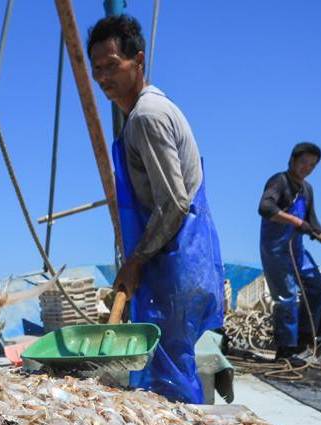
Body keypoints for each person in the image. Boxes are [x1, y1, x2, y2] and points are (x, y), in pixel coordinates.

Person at [87, 15, 225, 404]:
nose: (102, 78)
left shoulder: (147, 117)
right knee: (170, 365)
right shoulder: (144, 115)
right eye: (97, 69)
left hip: (174, 262)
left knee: (170, 377)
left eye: (112, 66)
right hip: (175, 260)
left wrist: (136, 260)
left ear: (139, 61)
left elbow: (174, 202)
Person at [258, 143, 321, 362]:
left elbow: (313, 223)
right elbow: (265, 208)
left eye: (312, 165)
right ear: (292, 160)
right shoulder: (279, 181)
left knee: (318, 286)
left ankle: (305, 339)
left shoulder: (307, 189)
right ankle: (285, 349)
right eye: (303, 162)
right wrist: (295, 221)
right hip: (276, 249)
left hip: (297, 249)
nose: (306, 167)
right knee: (286, 297)